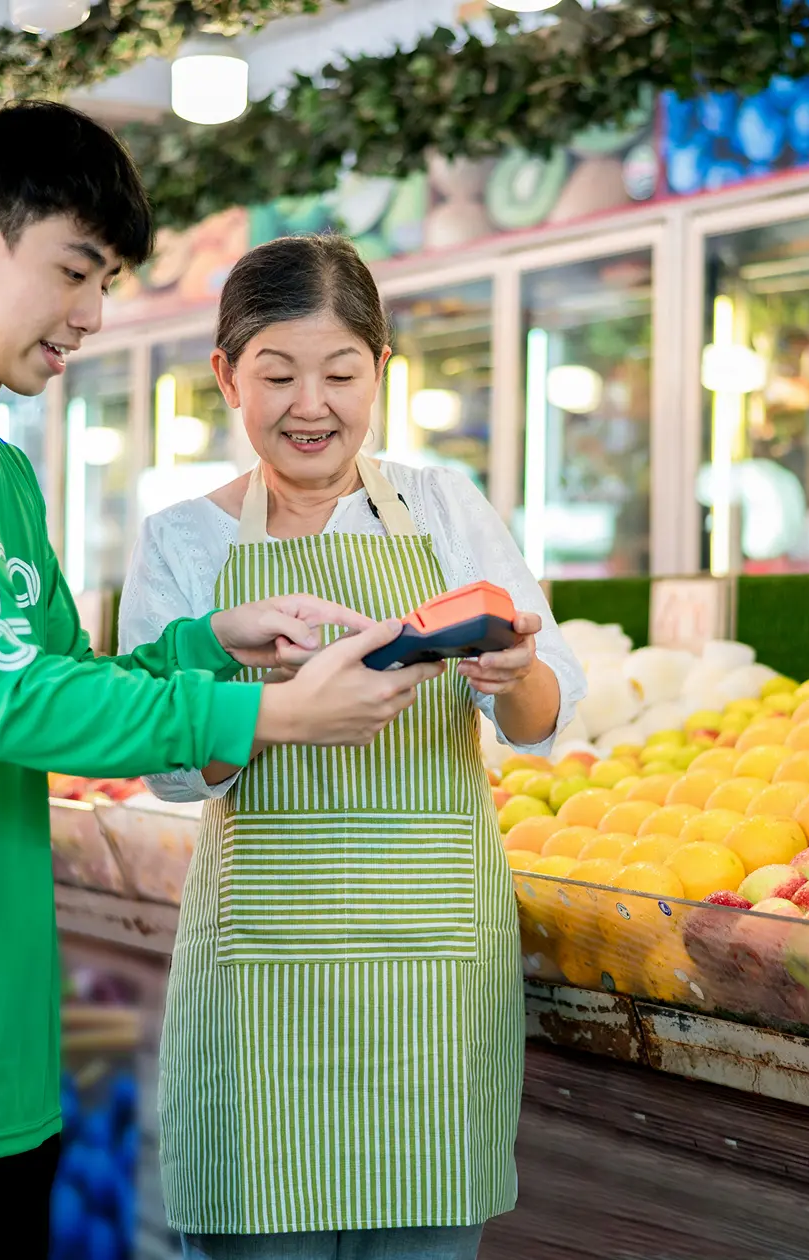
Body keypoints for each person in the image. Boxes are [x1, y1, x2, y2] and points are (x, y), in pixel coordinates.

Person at [0, 105, 437, 1260]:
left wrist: (216, 639)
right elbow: (10, 703)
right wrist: (269, 715)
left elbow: (65, 676)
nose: (92, 316)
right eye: (74, 269)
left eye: (105, 278)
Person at [119, 234, 587, 1260]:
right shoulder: (183, 543)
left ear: (382, 368)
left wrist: (512, 675)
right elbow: (162, 764)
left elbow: (549, 715)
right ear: (226, 378)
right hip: (262, 995)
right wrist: (258, 693)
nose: (310, 407)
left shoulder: (446, 510)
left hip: (433, 987)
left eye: (341, 373)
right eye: (277, 375)